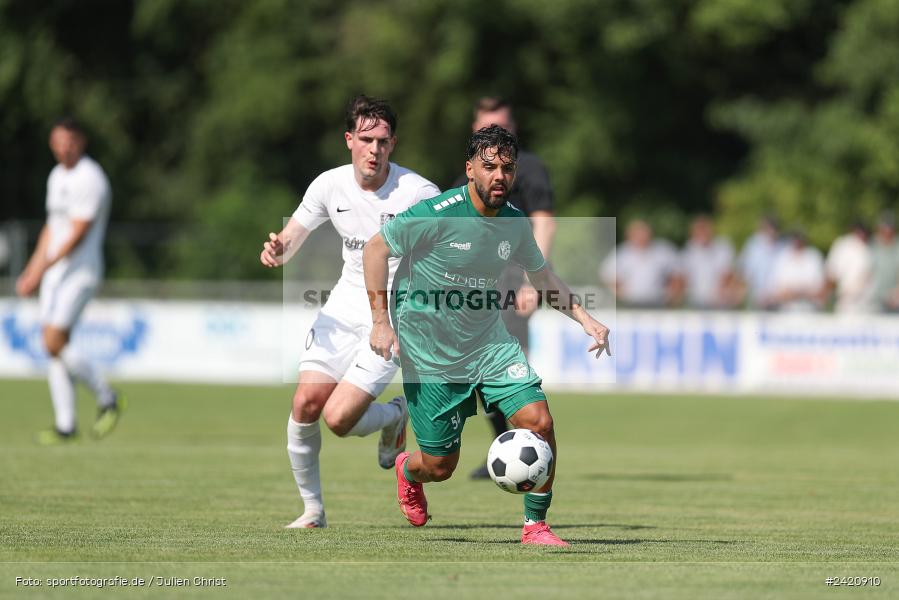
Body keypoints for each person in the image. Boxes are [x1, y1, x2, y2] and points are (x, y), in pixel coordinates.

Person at [362, 125, 611, 546]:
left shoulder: (514, 224)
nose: (499, 175)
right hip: (430, 353)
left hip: (489, 344)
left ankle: (536, 526)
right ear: (470, 169)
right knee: (440, 466)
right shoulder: (437, 214)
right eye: (489, 166)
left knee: (540, 422)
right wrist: (380, 321)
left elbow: (543, 275)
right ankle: (408, 469)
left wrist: (586, 319)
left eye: (507, 168)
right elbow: (375, 249)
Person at [260, 96, 440, 529]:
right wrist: (278, 249)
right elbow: (290, 239)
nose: (373, 149)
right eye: (365, 139)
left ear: (393, 143)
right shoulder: (329, 185)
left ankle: (395, 414)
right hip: (345, 304)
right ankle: (313, 511)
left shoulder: (418, 192)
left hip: (395, 316)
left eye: (381, 140)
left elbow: (447, 253)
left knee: (338, 419)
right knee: (305, 403)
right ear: (349, 141)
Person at [452, 97, 556, 479]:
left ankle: (529, 446)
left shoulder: (528, 168)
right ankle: (512, 446)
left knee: (511, 368)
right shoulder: (469, 173)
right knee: (480, 373)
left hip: (514, 279)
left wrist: (533, 280)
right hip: (476, 287)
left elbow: (544, 222)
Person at [15, 117, 122, 444]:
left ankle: (108, 396)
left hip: (80, 273)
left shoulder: (90, 178)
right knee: (54, 348)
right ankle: (66, 424)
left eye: (69, 141)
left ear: (81, 142)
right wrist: (34, 268)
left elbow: (77, 232)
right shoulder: (56, 176)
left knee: (52, 339)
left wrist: (44, 266)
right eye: (57, 141)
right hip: (54, 273)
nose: (63, 147)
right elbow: (52, 227)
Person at [599, 219, 682, 307]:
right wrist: (620, 294)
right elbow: (607, 276)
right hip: (629, 303)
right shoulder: (621, 253)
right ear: (629, 235)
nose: (641, 236)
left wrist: (673, 297)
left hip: (658, 302)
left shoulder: (663, 250)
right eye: (638, 233)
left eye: (644, 232)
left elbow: (678, 275)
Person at [680, 215, 738, 309]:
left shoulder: (723, 247)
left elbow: (728, 275)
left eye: (704, 229)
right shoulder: (689, 251)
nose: (702, 233)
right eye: (699, 230)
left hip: (719, 302)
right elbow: (683, 278)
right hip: (696, 303)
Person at [767, 230, 825, 312]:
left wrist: (797, 293)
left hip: (810, 310)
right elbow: (775, 290)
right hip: (785, 310)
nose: (796, 242)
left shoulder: (813, 256)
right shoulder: (782, 257)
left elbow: (820, 290)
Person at [823, 222, 874, 313]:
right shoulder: (843, 245)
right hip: (845, 300)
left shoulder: (868, 248)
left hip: (866, 301)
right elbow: (832, 273)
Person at [737, 215, 784, 309]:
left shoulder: (783, 246)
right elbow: (743, 271)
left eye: (774, 228)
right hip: (755, 298)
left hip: (777, 300)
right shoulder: (753, 245)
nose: (772, 231)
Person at [870, 212, 899, 312]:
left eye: (889, 227)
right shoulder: (872, 246)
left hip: (895, 301)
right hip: (874, 301)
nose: (887, 230)